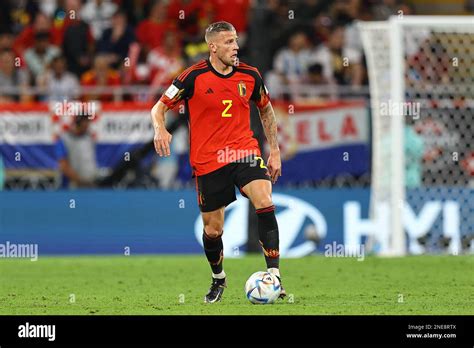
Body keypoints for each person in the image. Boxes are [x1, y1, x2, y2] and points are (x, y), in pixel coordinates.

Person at [151, 21, 285, 303]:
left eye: (236, 41)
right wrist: (159, 128)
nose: (235, 47)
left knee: (263, 198)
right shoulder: (192, 77)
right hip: (208, 161)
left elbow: (266, 110)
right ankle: (218, 279)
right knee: (213, 230)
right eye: (228, 42)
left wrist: (274, 150)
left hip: (244, 152)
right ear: (212, 47)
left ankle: (274, 275)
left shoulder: (250, 75)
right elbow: (159, 107)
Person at [56, 115, 98, 189]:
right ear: (78, 123)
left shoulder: (88, 137)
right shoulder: (64, 139)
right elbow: (63, 165)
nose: (87, 126)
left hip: (89, 184)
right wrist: (79, 181)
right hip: (72, 185)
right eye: (85, 123)